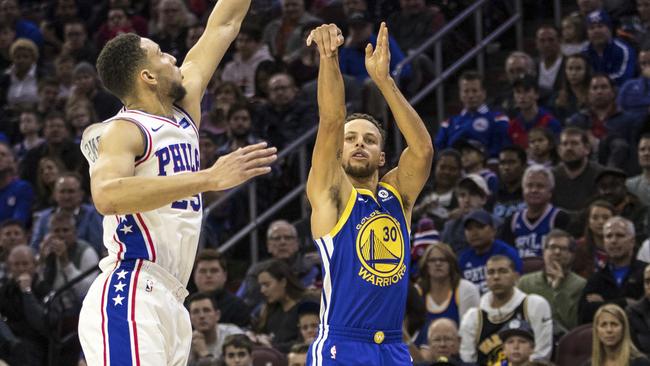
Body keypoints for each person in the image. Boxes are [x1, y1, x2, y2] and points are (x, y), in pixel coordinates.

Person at [76, 0, 278, 364]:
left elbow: (223, 24)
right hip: (132, 289)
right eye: (162, 55)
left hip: (172, 297)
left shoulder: (183, 114)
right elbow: (106, 196)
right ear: (148, 77)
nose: (173, 59)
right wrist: (208, 178)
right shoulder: (125, 130)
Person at [305, 22, 433, 365]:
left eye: (369, 139)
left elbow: (421, 150)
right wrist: (328, 57)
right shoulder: (331, 193)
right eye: (351, 139)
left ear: (382, 157)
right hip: (342, 343)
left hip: (392, 345)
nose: (359, 142)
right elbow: (331, 120)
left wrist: (385, 81)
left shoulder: (398, 197)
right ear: (339, 153)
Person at [458, 255, 552, 365]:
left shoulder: (534, 305)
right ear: (486, 279)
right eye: (491, 272)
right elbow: (467, 360)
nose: (496, 277)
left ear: (516, 277)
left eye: (503, 271)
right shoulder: (473, 317)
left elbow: (542, 354)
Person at [579, 216, 648, 324]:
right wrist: (624, 302)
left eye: (620, 235)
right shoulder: (596, 279)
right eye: (608, 236)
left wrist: (603, 304)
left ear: (632, 241)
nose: (613, 241)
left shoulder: (646, 273)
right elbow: (584, 315)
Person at [517, 229, 586, 333]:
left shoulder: (581, 285)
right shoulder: (525, 282)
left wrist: (558, 290)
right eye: (552, 247)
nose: (557, 252)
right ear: (544, 252)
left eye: (563, 249)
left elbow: (573, 324)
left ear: (572, 255)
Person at [413, 243, 480, 346]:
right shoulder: (416, 292)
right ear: (426, 265)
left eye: (443, 260)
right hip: (422, 356)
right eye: (432, 260)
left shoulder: (466, 289)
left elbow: (470, 335)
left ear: (451, 264)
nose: (438, 263)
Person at [500, 165, 571, 258]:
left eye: (540, 186)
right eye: (529, 186)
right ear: (523, 190)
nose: (534, 190)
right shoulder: (512, 221)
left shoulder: (560, 218)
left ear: (550, 192)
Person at [459, 209, 522, 293]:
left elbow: (518, 283)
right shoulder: (463, 259)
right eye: (469, 229)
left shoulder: (506, 253)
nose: (474, 233)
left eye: (480, 227)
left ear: (493, 230)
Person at [191, 249, 251, 327]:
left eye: (214, 271)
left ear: (225, 275)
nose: (208, 275)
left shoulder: (238, 307)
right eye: (203, 271)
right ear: (194, 276)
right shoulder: (183, 306)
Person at [187, 292, 244, 365]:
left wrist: (204, 353)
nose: (201, 316)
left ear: (217, 315)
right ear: (189, 318)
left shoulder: (233, 334)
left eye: (206, 310)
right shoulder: (185, 342)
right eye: (195, 312)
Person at [584, 304, 650, 366]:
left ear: (624, 329)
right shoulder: (589, 364)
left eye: (614, 324)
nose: (609, 330)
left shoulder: (640, 363)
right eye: (603, 325)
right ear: (596, 330)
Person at [573, 200, 615, 278]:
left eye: (606, 218)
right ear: (588, 222)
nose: (601, 222)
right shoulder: (577, 247)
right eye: (595, 218)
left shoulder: (623, 249)